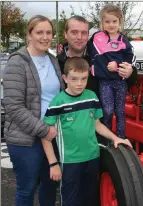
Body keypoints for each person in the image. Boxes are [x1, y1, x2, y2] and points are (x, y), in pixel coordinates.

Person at [41, 56, 132, 206]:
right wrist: (53, 164)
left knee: (90, 199)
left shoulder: (92, 97)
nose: (79, 84)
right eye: (74, 79)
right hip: (69, 161)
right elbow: (46, 137)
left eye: (83, 79)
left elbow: (97, 124)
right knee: (70, 200)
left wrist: (115, 138)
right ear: (65, 78)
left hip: (92, 158)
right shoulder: (57, 103)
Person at [3, 15, 64, 206]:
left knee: (49, 185)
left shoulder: (53, 60)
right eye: (39, 32)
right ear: (29, 35)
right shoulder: (17, 62)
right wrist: (43, 129)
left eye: (48, 33)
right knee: (26, 189)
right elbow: (13, 106)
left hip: (52, 135)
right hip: (26, 139)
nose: (45, 37)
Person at [57, 15, 137, 98]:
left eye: (84, 33)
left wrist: (130, 73)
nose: (79, 37)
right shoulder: (57, 63)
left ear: (88, 34)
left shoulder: (100, 55)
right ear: (65, 34)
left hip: (98, 110)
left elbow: (125, 80)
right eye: (74, 32)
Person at [88, 4, 135, 139]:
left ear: (120, 22)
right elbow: (86, 48)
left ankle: (121, 138)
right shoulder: (97, 38)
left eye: (114, 21)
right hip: (105, 82)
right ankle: (107, 138)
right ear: (102, 23)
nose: (111, 24)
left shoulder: (123, 41)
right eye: (107, 21)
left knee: (120, 111)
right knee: (107, 110)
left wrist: (118, 65)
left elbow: (130, 59)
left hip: (120, 82)